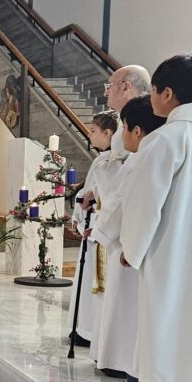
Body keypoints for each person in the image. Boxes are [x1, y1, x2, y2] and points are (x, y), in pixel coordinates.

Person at [117, 53, 192, 382]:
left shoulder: (164, 140)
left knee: (168, 321)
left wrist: (131, 249)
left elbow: (145, 204)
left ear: (167, 94)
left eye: (155, 90)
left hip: (171, 253)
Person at [91, 97, 165, 382]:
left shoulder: (142, 158)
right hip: (160, 250)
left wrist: (101, 232)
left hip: (133, 250)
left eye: (123, 127)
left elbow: (121, 202)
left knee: (132, 318)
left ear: (136, 130)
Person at [66, 111, 118, 349]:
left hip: (100, 230)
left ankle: (88, 330)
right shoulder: (103, 160)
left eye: (93, 131)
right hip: (94, 227)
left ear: (108, 133)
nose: (89, 134)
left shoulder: (111, 161)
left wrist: (86, 216)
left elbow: (104, 198)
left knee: (95, 283)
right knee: (87, 281)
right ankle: (84, 328)